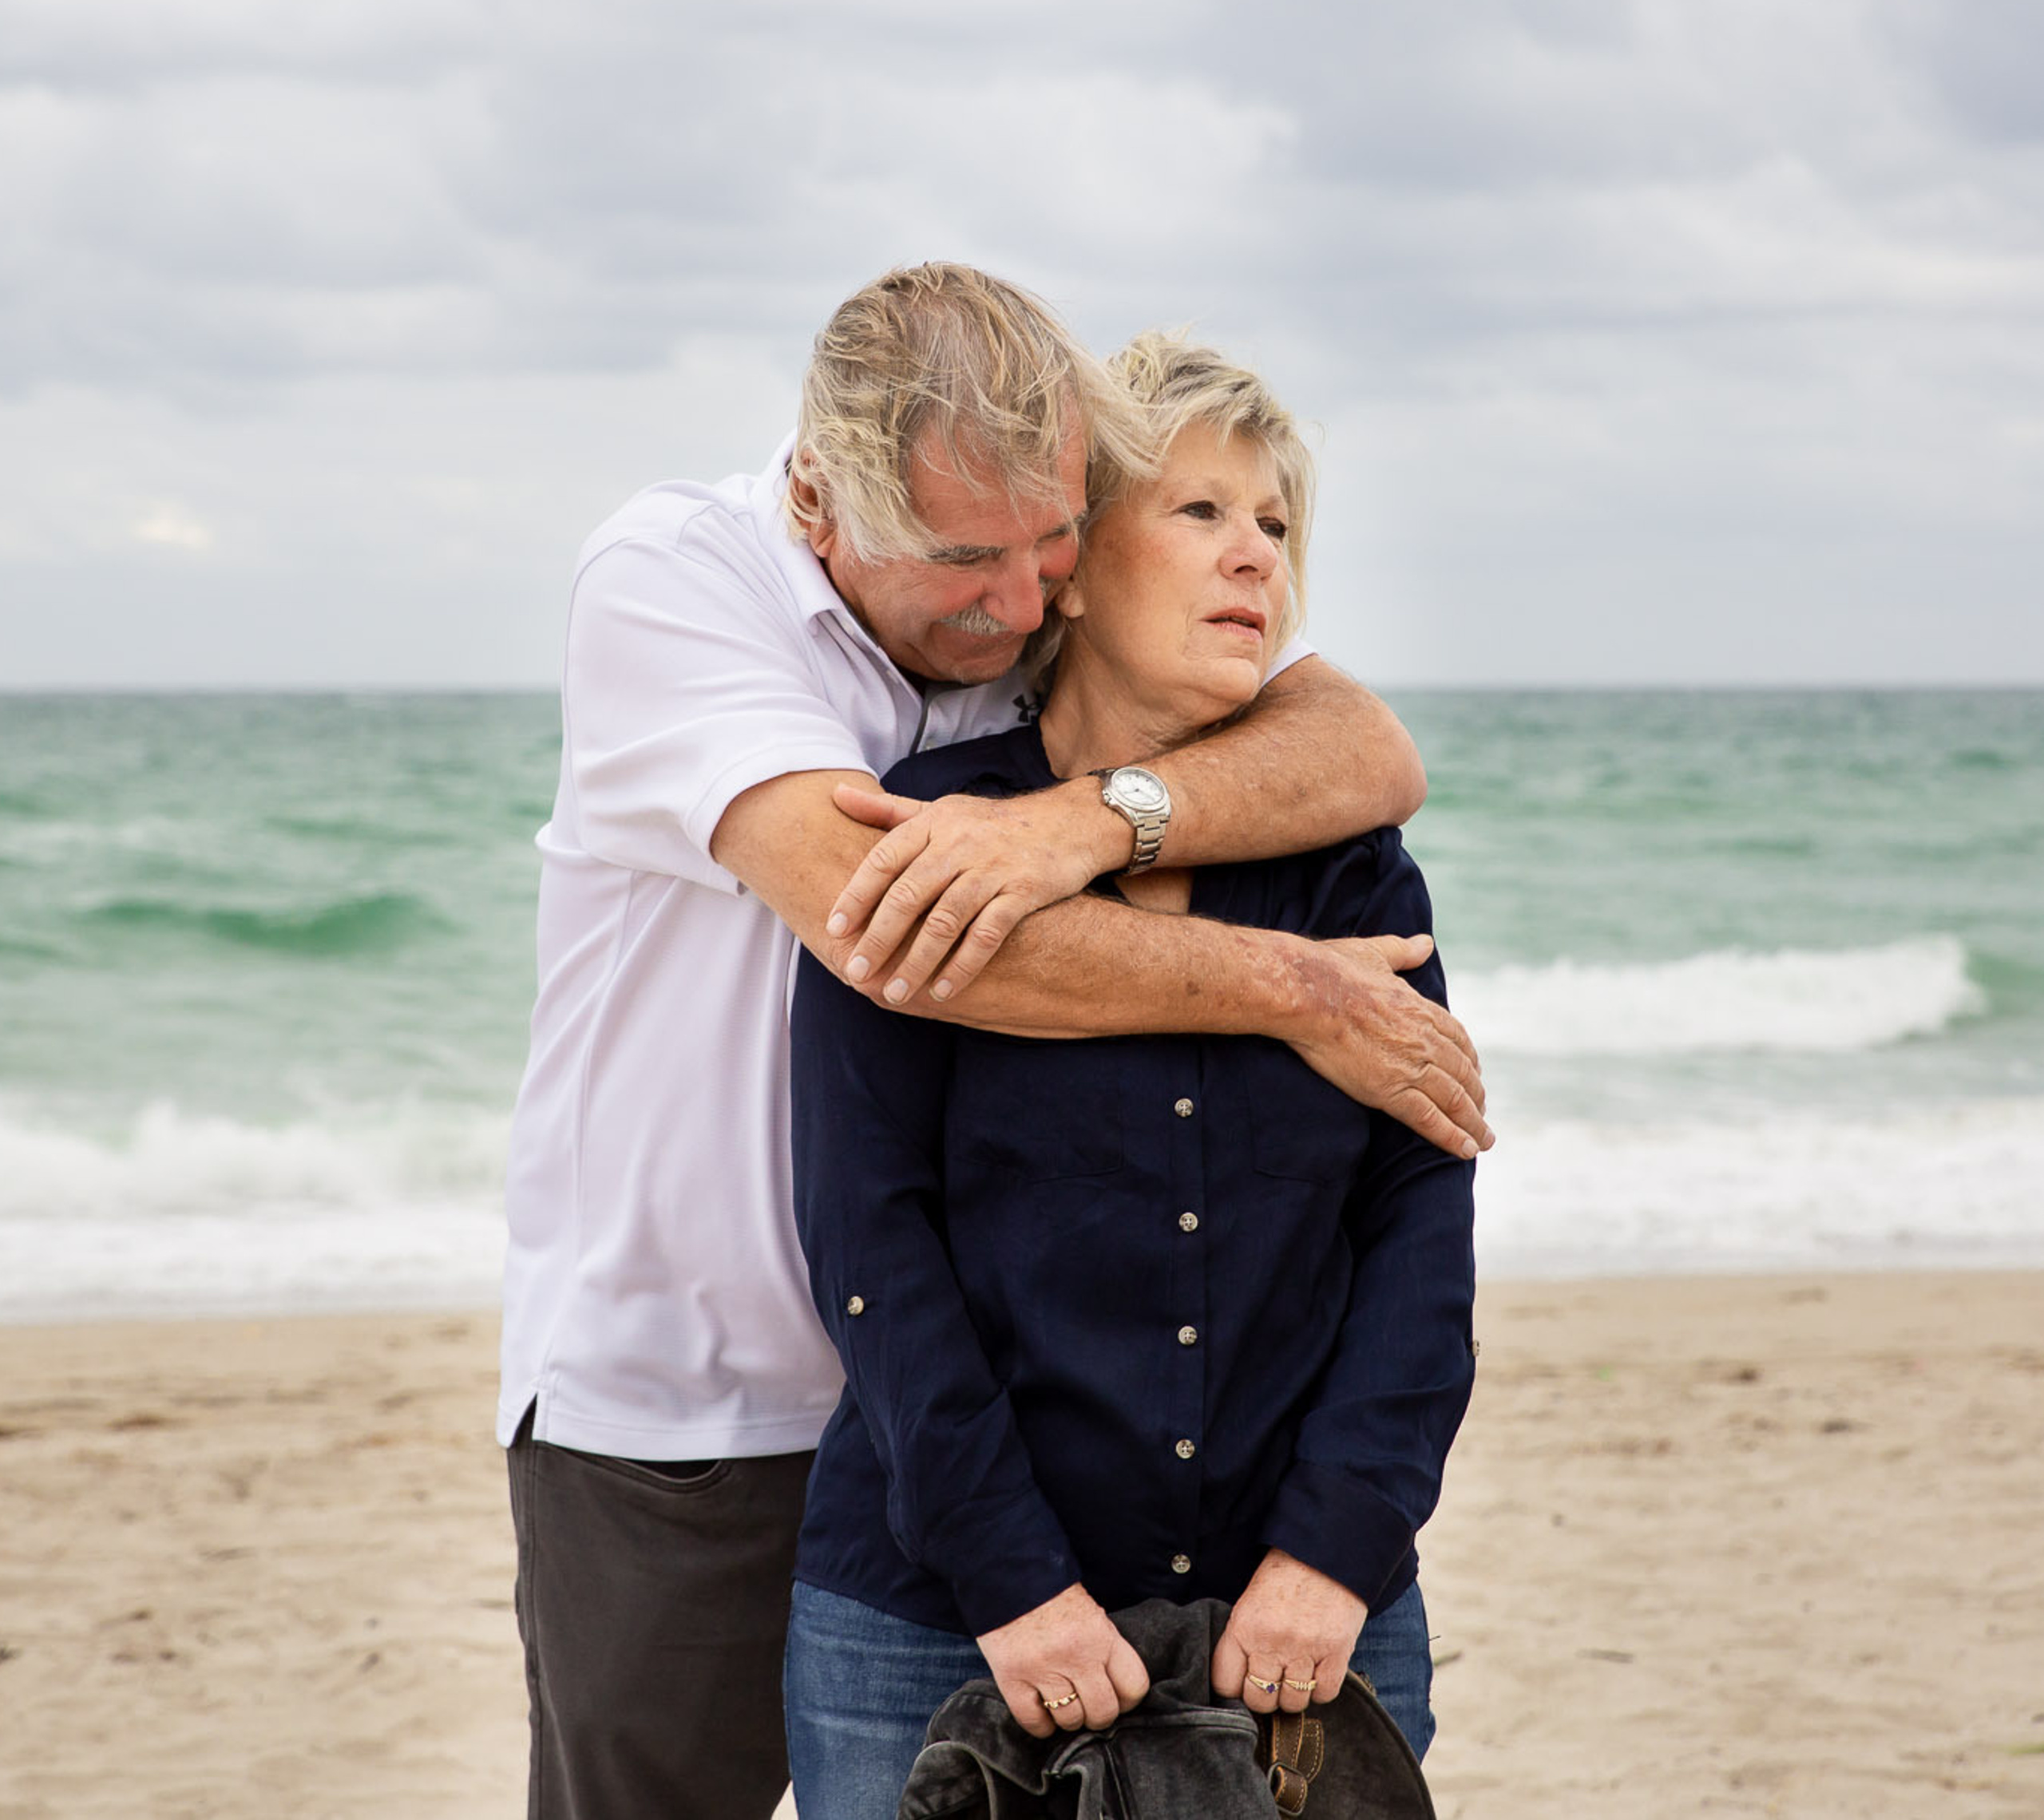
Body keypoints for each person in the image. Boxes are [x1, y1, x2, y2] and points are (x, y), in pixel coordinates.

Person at [498, 264, 1489, 1820]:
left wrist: (1085, 816)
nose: (1009, 601)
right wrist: (1304, 990)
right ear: (825, 499)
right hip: (682, 1399)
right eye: (971, 558)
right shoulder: (680, 584)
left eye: (1041, 544)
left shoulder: (1051, 706)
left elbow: (1368, 747)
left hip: (954, 1441)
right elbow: (885, 938)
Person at [782, 334, 1479, 1820]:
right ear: (1071, 570)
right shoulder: (929, 834)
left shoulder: (1354, 866)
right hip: (930, 1623)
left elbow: (1424, 1224)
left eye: (1277, 527)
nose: (1256, 562)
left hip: (1304, 1637)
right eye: (1202, 513)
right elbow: (867, 1236)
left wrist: (1336, 1549)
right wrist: (1013, 1581)